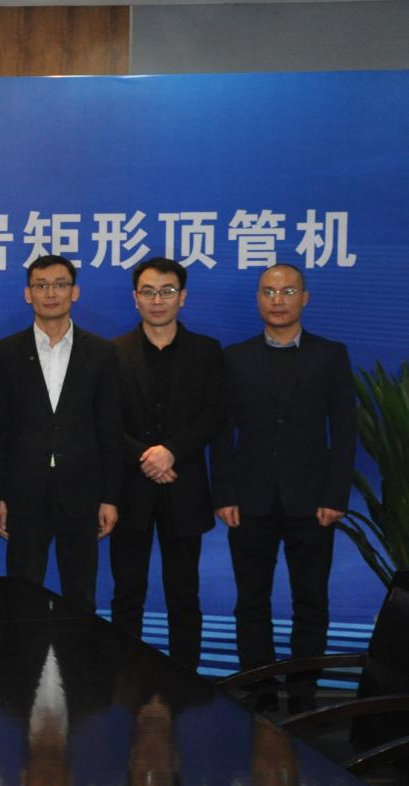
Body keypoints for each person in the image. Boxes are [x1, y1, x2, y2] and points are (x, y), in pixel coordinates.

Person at [210, 263, 355, 713]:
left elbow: (344, 432)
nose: (278, 300)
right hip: (249, 500)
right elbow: (221, 432)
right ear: (258, 299)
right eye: (269, 292)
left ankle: (304, 695)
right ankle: (259, 692)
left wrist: (335, 496)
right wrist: (224, 494)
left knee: (310, 600)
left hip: (313, 502)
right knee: (251, 600)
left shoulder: (331, 355)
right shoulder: (235, 358)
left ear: (304, 298)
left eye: (288, 291)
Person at [110, 257, 226, 669]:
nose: (157, 300)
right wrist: (146, 456)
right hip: (130, 489)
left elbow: (214, 413)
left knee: (184, 597)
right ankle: (125, 684)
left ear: (183, 297)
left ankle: (186, 685)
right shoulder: (113, 352)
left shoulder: (206, 351)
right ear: (135, 298)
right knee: (127, 596)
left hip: (184, 486)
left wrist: (171, 451)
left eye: (167, 291)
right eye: (148, 292)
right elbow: (105, 419)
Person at [0, 255, 123, 612]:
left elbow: (111, 430)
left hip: (82, 493)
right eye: (41, 285)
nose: (51, 293)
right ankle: (22, 651)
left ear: (74, 292)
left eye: (60, 285)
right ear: (28, 294)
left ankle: (81, 652)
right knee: (21, 595)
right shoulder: (5, 352)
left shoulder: (101, 352)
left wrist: (110, 497)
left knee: (81, 597)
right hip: (23, 493)